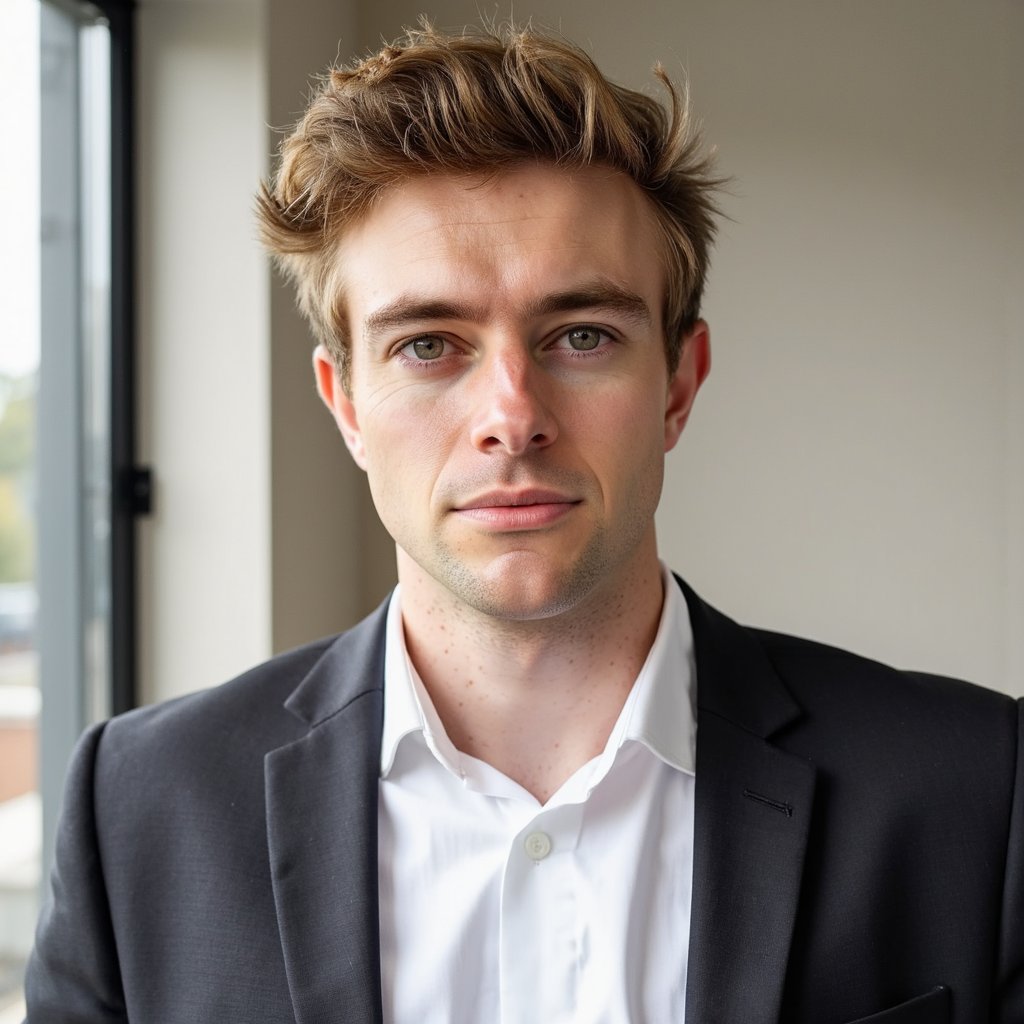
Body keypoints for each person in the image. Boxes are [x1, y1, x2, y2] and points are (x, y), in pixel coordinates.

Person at [24, 22, 1023, 1024]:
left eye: (582, 335)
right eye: (428, 345)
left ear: (679, 385)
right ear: (347, 405)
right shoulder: (138, 811)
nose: (512, 416)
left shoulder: (975, 790)